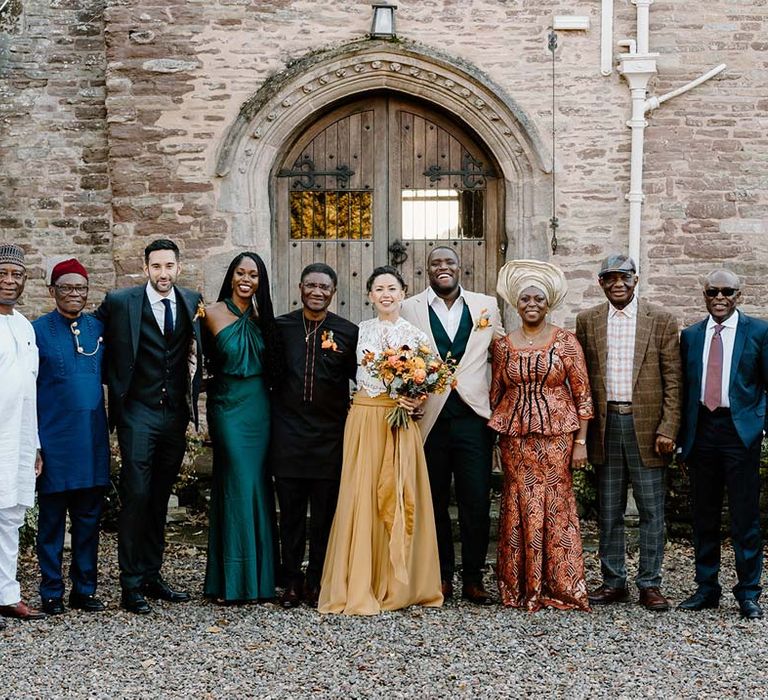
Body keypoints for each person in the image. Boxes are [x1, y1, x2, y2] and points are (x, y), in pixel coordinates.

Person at [318, 265, 442, 615]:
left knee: (399, 493)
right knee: (362, 493)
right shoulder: (359, 332)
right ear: (370, 295)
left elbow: (428, 380)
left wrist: (413, 399)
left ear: (403, 293)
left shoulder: (415, 336)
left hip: (398, 423)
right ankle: (360, 580)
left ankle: (399, 582)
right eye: (379, 289)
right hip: (365, 418)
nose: (386, 294)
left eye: (392, 288)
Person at [95, 238, 202, 614]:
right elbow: (90, 334)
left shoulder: (191, 300)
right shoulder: (121, 302)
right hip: (137, 412)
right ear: (145, 269)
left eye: (168, 266)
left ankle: (153, 575)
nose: (162, 273)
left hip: (174, 414)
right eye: (155, 267)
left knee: (159, 496)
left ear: (178, 267)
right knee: (137, 495)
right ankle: (130, 584)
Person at [575, 254, 681, 612]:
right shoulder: (587, 321)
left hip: (647, 427)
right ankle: (613, 581)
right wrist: (583, 434)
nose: (618, 283)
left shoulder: (661, 320)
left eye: (625, 277)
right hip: (607, 427)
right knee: (609, 510)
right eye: (610, 278)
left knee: (652, 511)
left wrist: (669, 427)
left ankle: (650, 584)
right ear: (601, 282)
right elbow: (583, 379)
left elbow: (674, 381)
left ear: (636, 281)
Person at [400, 247, 504, 604]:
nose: (443, 268)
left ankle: (474, 578)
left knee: (475, 500)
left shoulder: (485, 305)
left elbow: (501, 353)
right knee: (435, 500)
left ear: (461, 267)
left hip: (474, 416)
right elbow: (399, 357)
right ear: (426, 270)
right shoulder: (410, 307)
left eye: (449, 262)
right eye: (435, 263)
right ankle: (441, 576)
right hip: (430, 418)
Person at [489, 260, 592, 611]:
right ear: (516, 304)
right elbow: (496, 393)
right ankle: (520, 586)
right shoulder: (502, 346)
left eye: (539, 299)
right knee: (520, 503)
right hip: (515, 438)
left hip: (558, 436)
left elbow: (583, 396)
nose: (532, 304)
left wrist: (581, 443)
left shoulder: (565, 342)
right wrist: (495, 435)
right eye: (525, 299)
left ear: (549, 304)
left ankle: (559, 584)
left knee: (555, 504)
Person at [677, 269, 768, 620]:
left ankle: (748, 593)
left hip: (739, 431)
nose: (719, 297)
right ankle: (707, 588)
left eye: (727, 291)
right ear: (704, 294)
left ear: (738, 295)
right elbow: (686, 389)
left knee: (745, 517)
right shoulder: (691, 335)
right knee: (704, 514)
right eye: (712, 291)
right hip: (703, 431)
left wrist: (759, 425)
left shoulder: (758, 332)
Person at [271, 263, 358, 608]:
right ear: (300, 287)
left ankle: (317, 580)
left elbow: (362, 380)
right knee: (290, 515)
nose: (317, 292)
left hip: (329, 438)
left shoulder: (347, 332)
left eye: (324, 286)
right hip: (288, 435)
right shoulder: (280, 328)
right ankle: (291, 580)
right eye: (311, 285)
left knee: (324, 516)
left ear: (333, 292)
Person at [202, 252, 281, 603]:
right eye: (240, 272)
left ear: (261, 281)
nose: (246, 279)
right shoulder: (210, 313)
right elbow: (198, 363)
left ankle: (260, 579)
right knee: (236, 481)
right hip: (226, 407)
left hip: (259, 408)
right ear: (231, 276)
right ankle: (232, 580)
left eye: (254, 274)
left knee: (258, 484)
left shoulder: (267, 319)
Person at [33, 259, 110, 615]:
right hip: (53, 442)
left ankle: (85, 589)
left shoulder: (98, 329)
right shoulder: (35, 331)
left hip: (91, 442)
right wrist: (33, 445)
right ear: (52, 291)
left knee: (88, 521)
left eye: (81, 288)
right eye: (66, 288)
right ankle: (51, 591)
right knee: (51, 523)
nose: (74, 294)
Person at [0, 243, 46, 625]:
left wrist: (35, 446)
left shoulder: (25, 325)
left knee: (12, 515)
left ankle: (7, 593)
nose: (9, 281)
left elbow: (29, 388)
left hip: (20, 437)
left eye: (16, 275)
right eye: (3, 273)